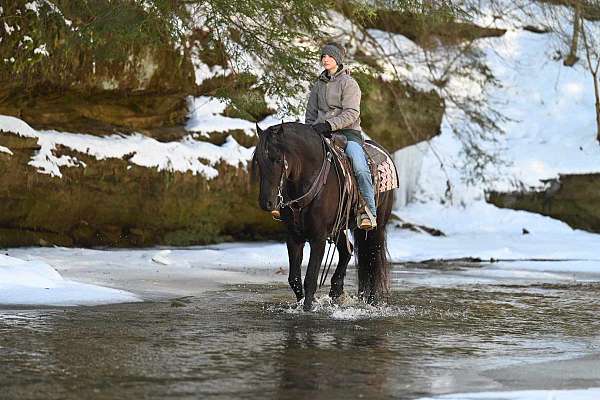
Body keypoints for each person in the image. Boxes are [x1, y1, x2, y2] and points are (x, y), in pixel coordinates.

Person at [305, 41, 377, 230]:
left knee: (359, 166)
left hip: (347, 134)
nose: (325, 59)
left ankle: (369, 211)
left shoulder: (349, 83)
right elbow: (311, 112)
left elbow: (352, 113)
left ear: (337, 59)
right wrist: (311, 129)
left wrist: (329, 124)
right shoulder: (318, 85)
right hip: (321, 132)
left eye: (329, 56)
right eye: (323, 56)